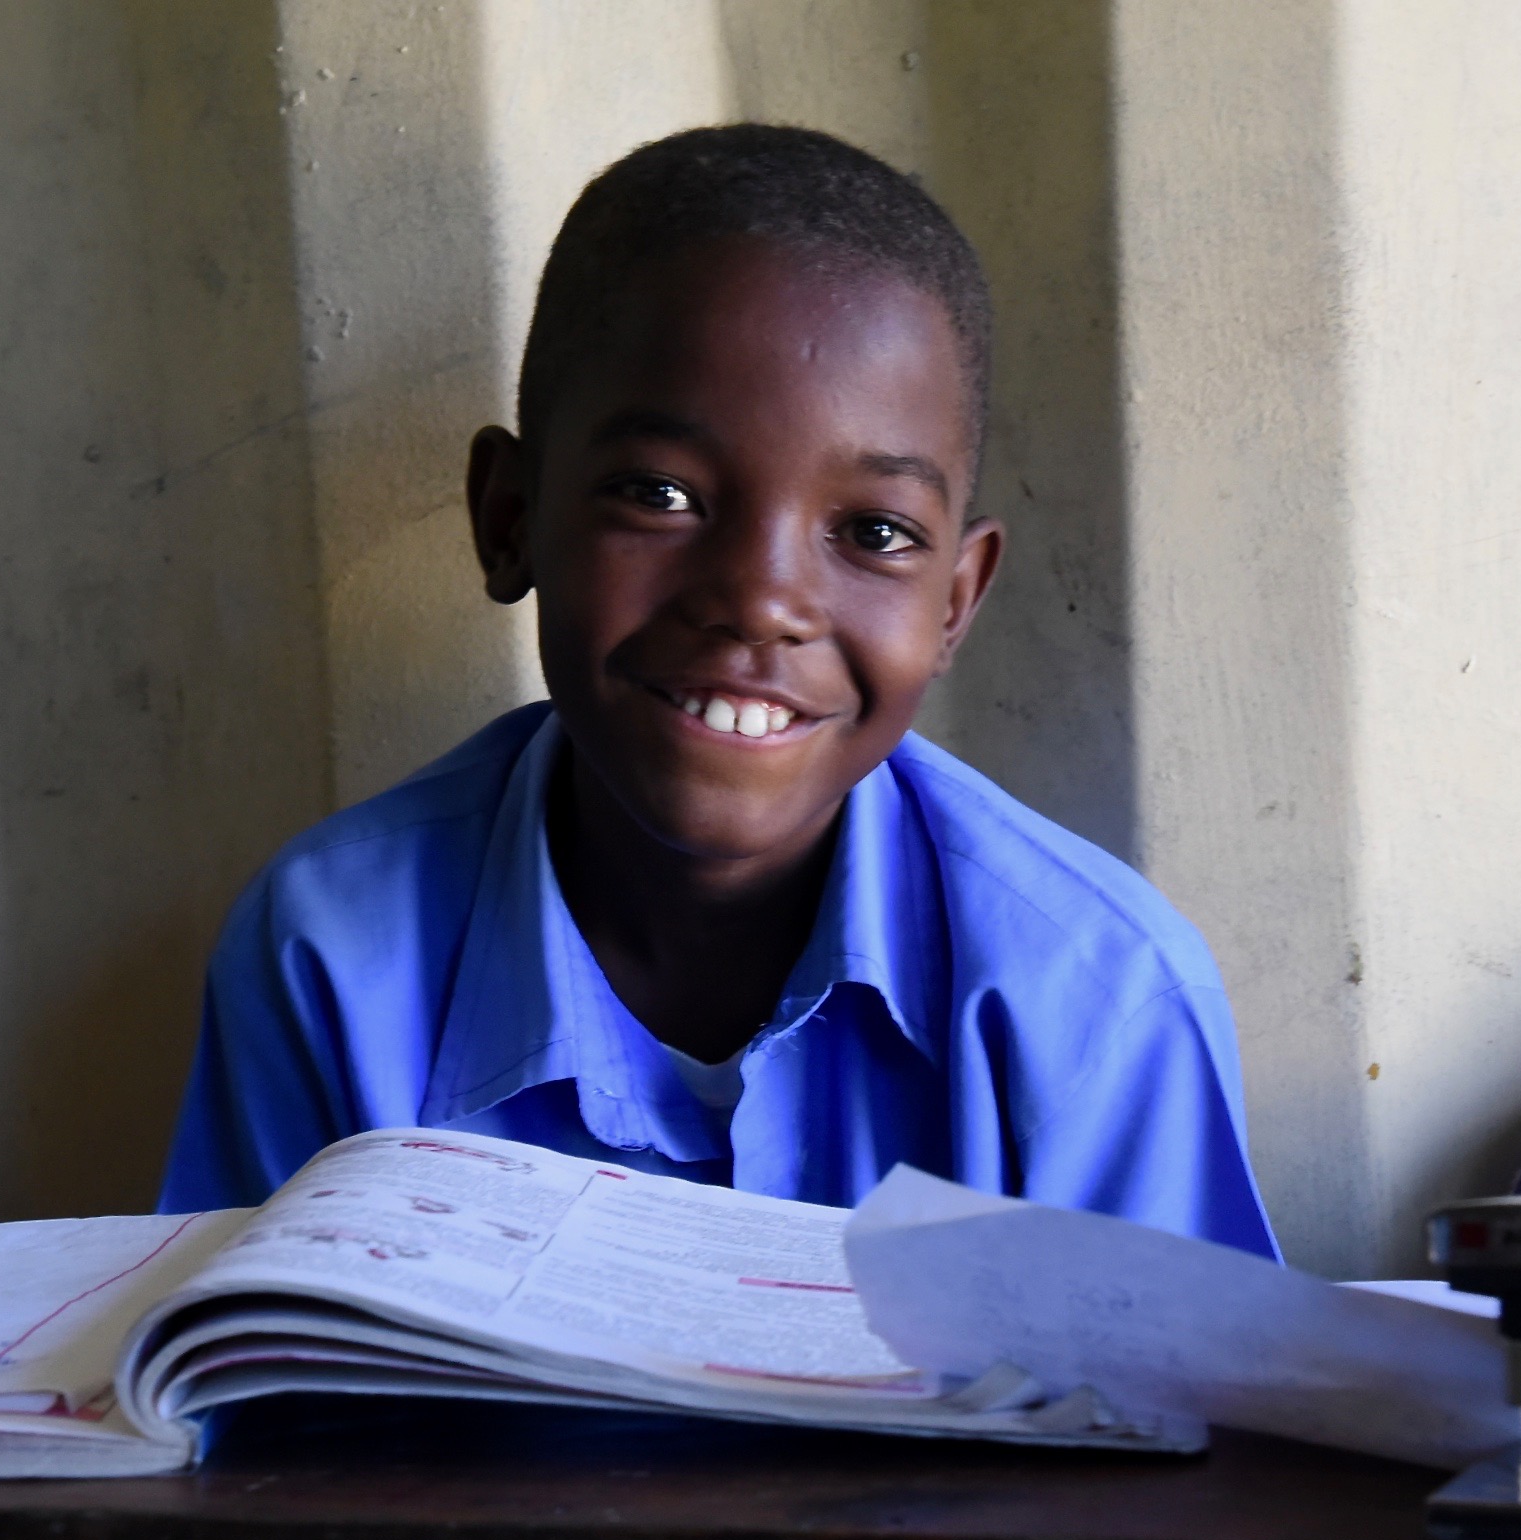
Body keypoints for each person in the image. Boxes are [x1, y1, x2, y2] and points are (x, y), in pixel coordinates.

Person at [159, 125, 1279, 1260]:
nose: (758, 600)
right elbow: (242, 1400)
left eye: (874, 532)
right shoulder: (332, 954)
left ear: (952, 601)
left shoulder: (1091, 1002)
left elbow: (1183, 1426)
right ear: (509, 520)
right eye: (660, 493)